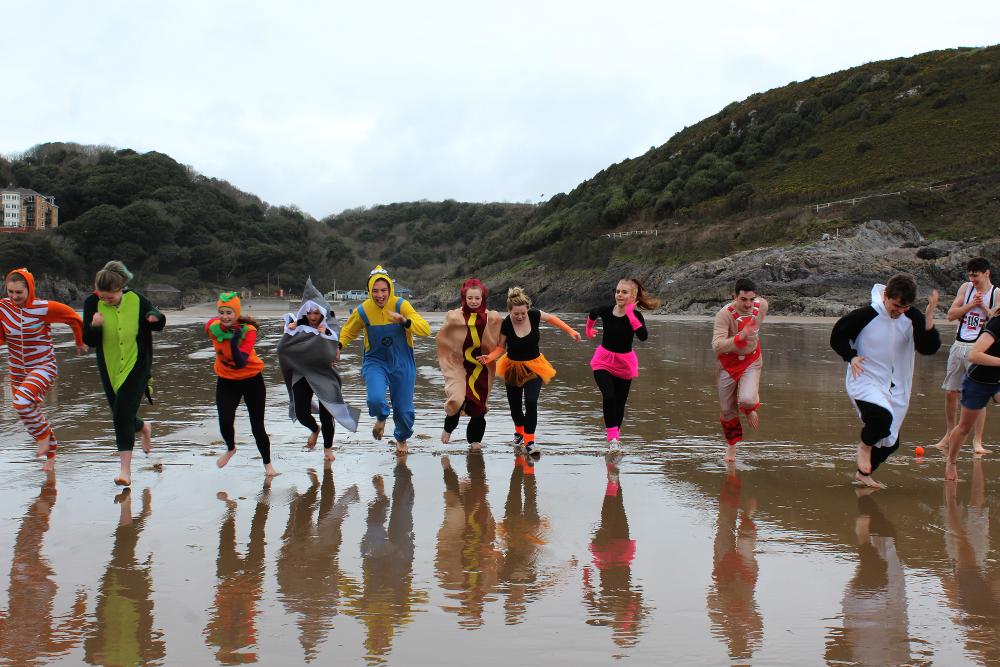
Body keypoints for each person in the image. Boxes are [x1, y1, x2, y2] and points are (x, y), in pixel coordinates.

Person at [830, 274, 940, 489]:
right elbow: (838, 335)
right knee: (881, 419)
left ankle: (863, 473)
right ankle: (864, 446)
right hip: (863, 379)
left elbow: (929, 348)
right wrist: (851, 356)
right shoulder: (866, 314)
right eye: (896, 305)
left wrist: (928, 318)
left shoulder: (912, 316)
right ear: (885, 296)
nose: (899, 311)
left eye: (905, 307)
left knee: (891, 442)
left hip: (898, 386)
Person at [82, 261, 165, 486]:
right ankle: (143, 427)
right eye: (102, 296)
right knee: (122, 414)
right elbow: (88, 340)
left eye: (110, 297)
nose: (105, 300)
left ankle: (125, 472)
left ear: (121, 289)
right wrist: (95, 325)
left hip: (136, 365)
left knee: (120, 416)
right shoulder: (92, 303)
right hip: (110, 368)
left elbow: (157, 318)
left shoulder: (136, 299)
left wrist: (154, 317)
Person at [0, 268, 86, 471]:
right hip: (17, 371)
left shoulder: (44, 308)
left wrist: (79, 341)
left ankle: (43, 438)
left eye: (18, 292)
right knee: (28, 411)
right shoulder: (3, 308)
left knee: (21, 402)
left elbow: (73, 318)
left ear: (29, 289)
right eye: (10, 292)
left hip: (42, 366)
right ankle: (51, 454)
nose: (14, 297)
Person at [338, 266, 430, 454]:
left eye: (383, 290)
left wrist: (404, 321)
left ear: (390, 289)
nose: (380, 295)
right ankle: (381, 417)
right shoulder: (363, 310)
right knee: (375, 399)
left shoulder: (401, 305)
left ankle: (401, 439)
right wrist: (338, 346)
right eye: (375, 291)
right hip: (376, 362)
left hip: (403, 362)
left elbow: (425, 329)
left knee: (404, 411)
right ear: (369, 291)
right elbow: (349, 330)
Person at [479, 286, 580, 457]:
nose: (519, 317)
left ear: (528, 310)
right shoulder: (506, 324)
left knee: (531, 402)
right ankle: (519, 434)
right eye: (515, 314)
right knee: (515, 408)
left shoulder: (534, 315)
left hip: (535, 366)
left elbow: (552, 319)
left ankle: (530, 442)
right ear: (509, 311)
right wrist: (490, 357)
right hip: (512, 367)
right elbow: (500, 347)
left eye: (522, 314)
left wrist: (571, 331)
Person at [278, 279, 360, 461]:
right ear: (304, 312)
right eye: (309, 312)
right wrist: (290, 329)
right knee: (301, 413)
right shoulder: (296, 327)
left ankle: (328, 449)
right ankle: (315, 429)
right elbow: (284, 348)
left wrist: (327, 336)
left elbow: (332, 349)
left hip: (324, 374)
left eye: (316, 312)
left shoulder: (329, 329)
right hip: (302, 373)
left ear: (322, 312)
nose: (313, 316)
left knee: (327, 413)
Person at [206, 291, 277, 476]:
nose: (225, 316)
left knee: (257, 426)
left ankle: (268, 465)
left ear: (236, 313)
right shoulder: (212, 327)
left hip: (252, 379)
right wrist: (229, 339)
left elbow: (240, 362)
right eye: (221, 312)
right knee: (225, 419)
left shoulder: (248, 331)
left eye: (229, 312)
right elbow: (209, 326)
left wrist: (234, 342)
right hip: (226, 381)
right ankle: (231, 448)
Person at [586, 278, 659, 453]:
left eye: (624, 292)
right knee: (609, 396)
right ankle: (612, 439)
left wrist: (631, 314)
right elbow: (592, 313)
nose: (619, 294)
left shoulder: (636, 316)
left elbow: (643, 336)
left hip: (624, 364)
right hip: (603, 361)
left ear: (634, 297)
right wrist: (588, 330)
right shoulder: (605, 310)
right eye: (618, 291)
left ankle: (615, 438)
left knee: (620, 403)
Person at [934, 257, 998, 456]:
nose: (972, 279)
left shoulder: (996, 293)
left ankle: (977, 441)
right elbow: (951, 315)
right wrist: (971, 305)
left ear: (986, 273)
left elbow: (996, 320)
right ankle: (949, 433)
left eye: (975, 275)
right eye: (969, 275)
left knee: (978, 393)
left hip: (979, 348)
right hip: (959, 344)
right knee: (951, 391)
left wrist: (982, 307)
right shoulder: (966, 288)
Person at [436, 278, 502, 451]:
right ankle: (448, 429)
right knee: (456, 400)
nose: (473, 301)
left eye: (477, 298)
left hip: (481, 368)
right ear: (464, 298)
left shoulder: (492, 318)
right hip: (458, 365)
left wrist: (491, 356)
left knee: (479, 408)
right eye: (470, 298)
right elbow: (442, 339)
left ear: (483, 299)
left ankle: (474, 444)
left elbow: (501, 344)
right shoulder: (454, 316)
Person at [712, 278, 768, 462]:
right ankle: (731, 447)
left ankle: (749, 408)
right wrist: (739, 337)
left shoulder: (761, 306)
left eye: (752, 300)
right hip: (727, 364)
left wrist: (750, 335)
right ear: (734, 297)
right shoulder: (724, 315)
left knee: (747, 400)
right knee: (727, 410)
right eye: (743, 299)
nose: (748, 304)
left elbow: (763, 307)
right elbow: (717, 346)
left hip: (751, 359)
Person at [944, 300, 1000, 481]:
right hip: (979, 380)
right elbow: (974, 355)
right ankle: (951, 462)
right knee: (964, 427)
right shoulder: (997, 323)